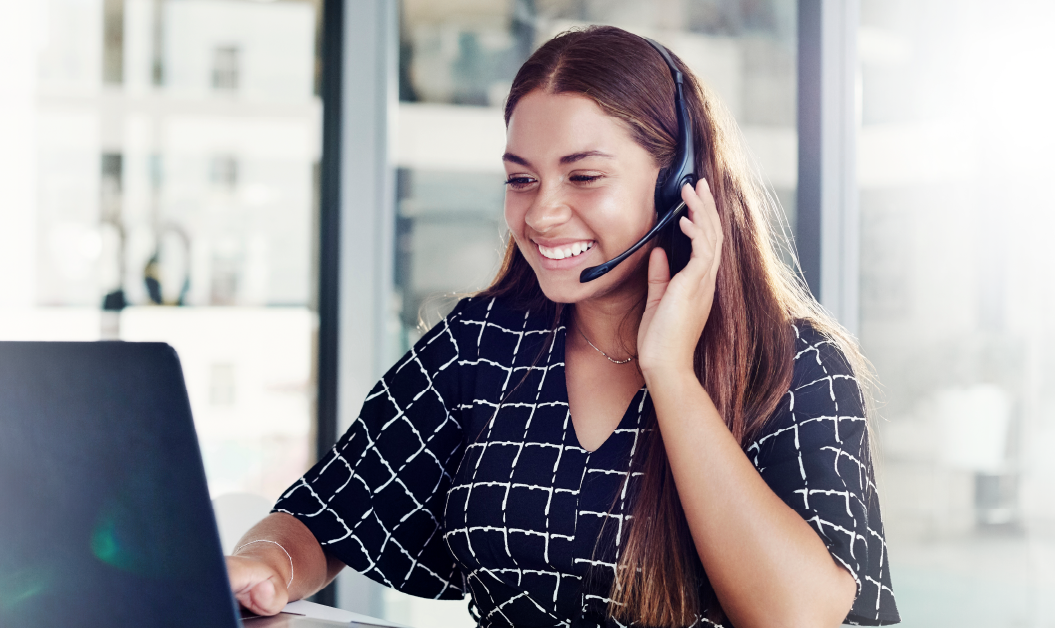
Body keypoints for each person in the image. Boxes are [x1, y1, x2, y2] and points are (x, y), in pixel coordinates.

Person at [225, 26, 899, 628]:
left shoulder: (793, 365)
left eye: (583, 176)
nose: (542, 214)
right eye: (522, 180)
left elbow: (797, 615)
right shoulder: (482, 345)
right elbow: (325, 516)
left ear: (679, 187)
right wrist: (268, 563)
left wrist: (670, 372)